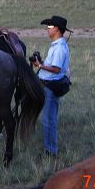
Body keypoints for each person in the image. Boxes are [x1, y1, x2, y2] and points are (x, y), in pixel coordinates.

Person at [32, 15, 71, 157]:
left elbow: (56, 69)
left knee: (49, 119)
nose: (47, 29)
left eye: (50, 27)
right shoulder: (57, 45)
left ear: (57, 29)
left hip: (50, 86)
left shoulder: (60, 47)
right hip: (47, 85)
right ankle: (50, 148)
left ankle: (51, 151)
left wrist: (40, 65)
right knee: (48, 118)